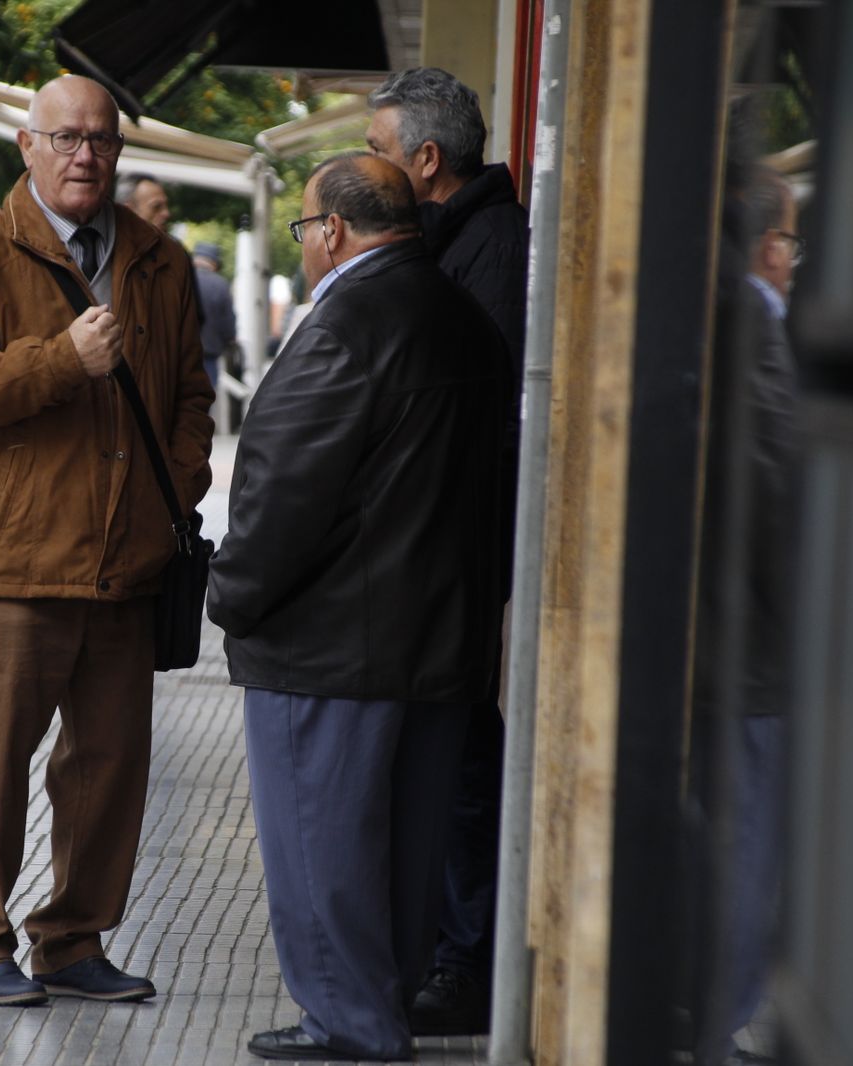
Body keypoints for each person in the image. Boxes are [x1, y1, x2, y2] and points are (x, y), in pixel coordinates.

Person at [0, 75, 214, 1007]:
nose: (86, 155)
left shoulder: (160, 261)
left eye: (102, 141)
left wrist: (182, 490)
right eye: (67, 138)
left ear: (120, 151)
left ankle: (74, 940)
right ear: (28, 148)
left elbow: (192, 397)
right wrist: (61, 361)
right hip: (16, 560)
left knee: (110, 767)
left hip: (129, 564)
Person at [207, 152, 511, 1061]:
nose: (306, 246)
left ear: (332, 230)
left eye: (304, 229)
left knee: (324, 851)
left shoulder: (347, 323)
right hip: (438, 643)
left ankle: (350, 1025)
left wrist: (231, 598)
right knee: (406, 859)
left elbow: (282, 493)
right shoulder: (466, 320)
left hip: (330, 645)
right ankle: (379, 1013)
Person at [365, 65, 529, 1035]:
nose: (366, 171)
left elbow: (473, 417)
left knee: (465, 762)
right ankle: (445, 952)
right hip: (444, 549)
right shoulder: (453, 240)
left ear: (425, 161)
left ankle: (463, 965)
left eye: (379, 153)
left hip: (461, 551)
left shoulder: (488, 250)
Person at [690, 164, 802, 1066]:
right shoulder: (758, 329)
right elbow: (778, 504)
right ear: (770, 247)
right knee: (749, 851)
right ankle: (712, 1026)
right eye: (790, 242)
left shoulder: (698, 322)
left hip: (709, 645)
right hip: (753, 656)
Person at [192, 242, 236, 388]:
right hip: (209, 355)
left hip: (180, 355)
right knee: (204, 403)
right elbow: (228, 326)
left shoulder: (180, 278)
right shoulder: (221, 284)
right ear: (214, 263)